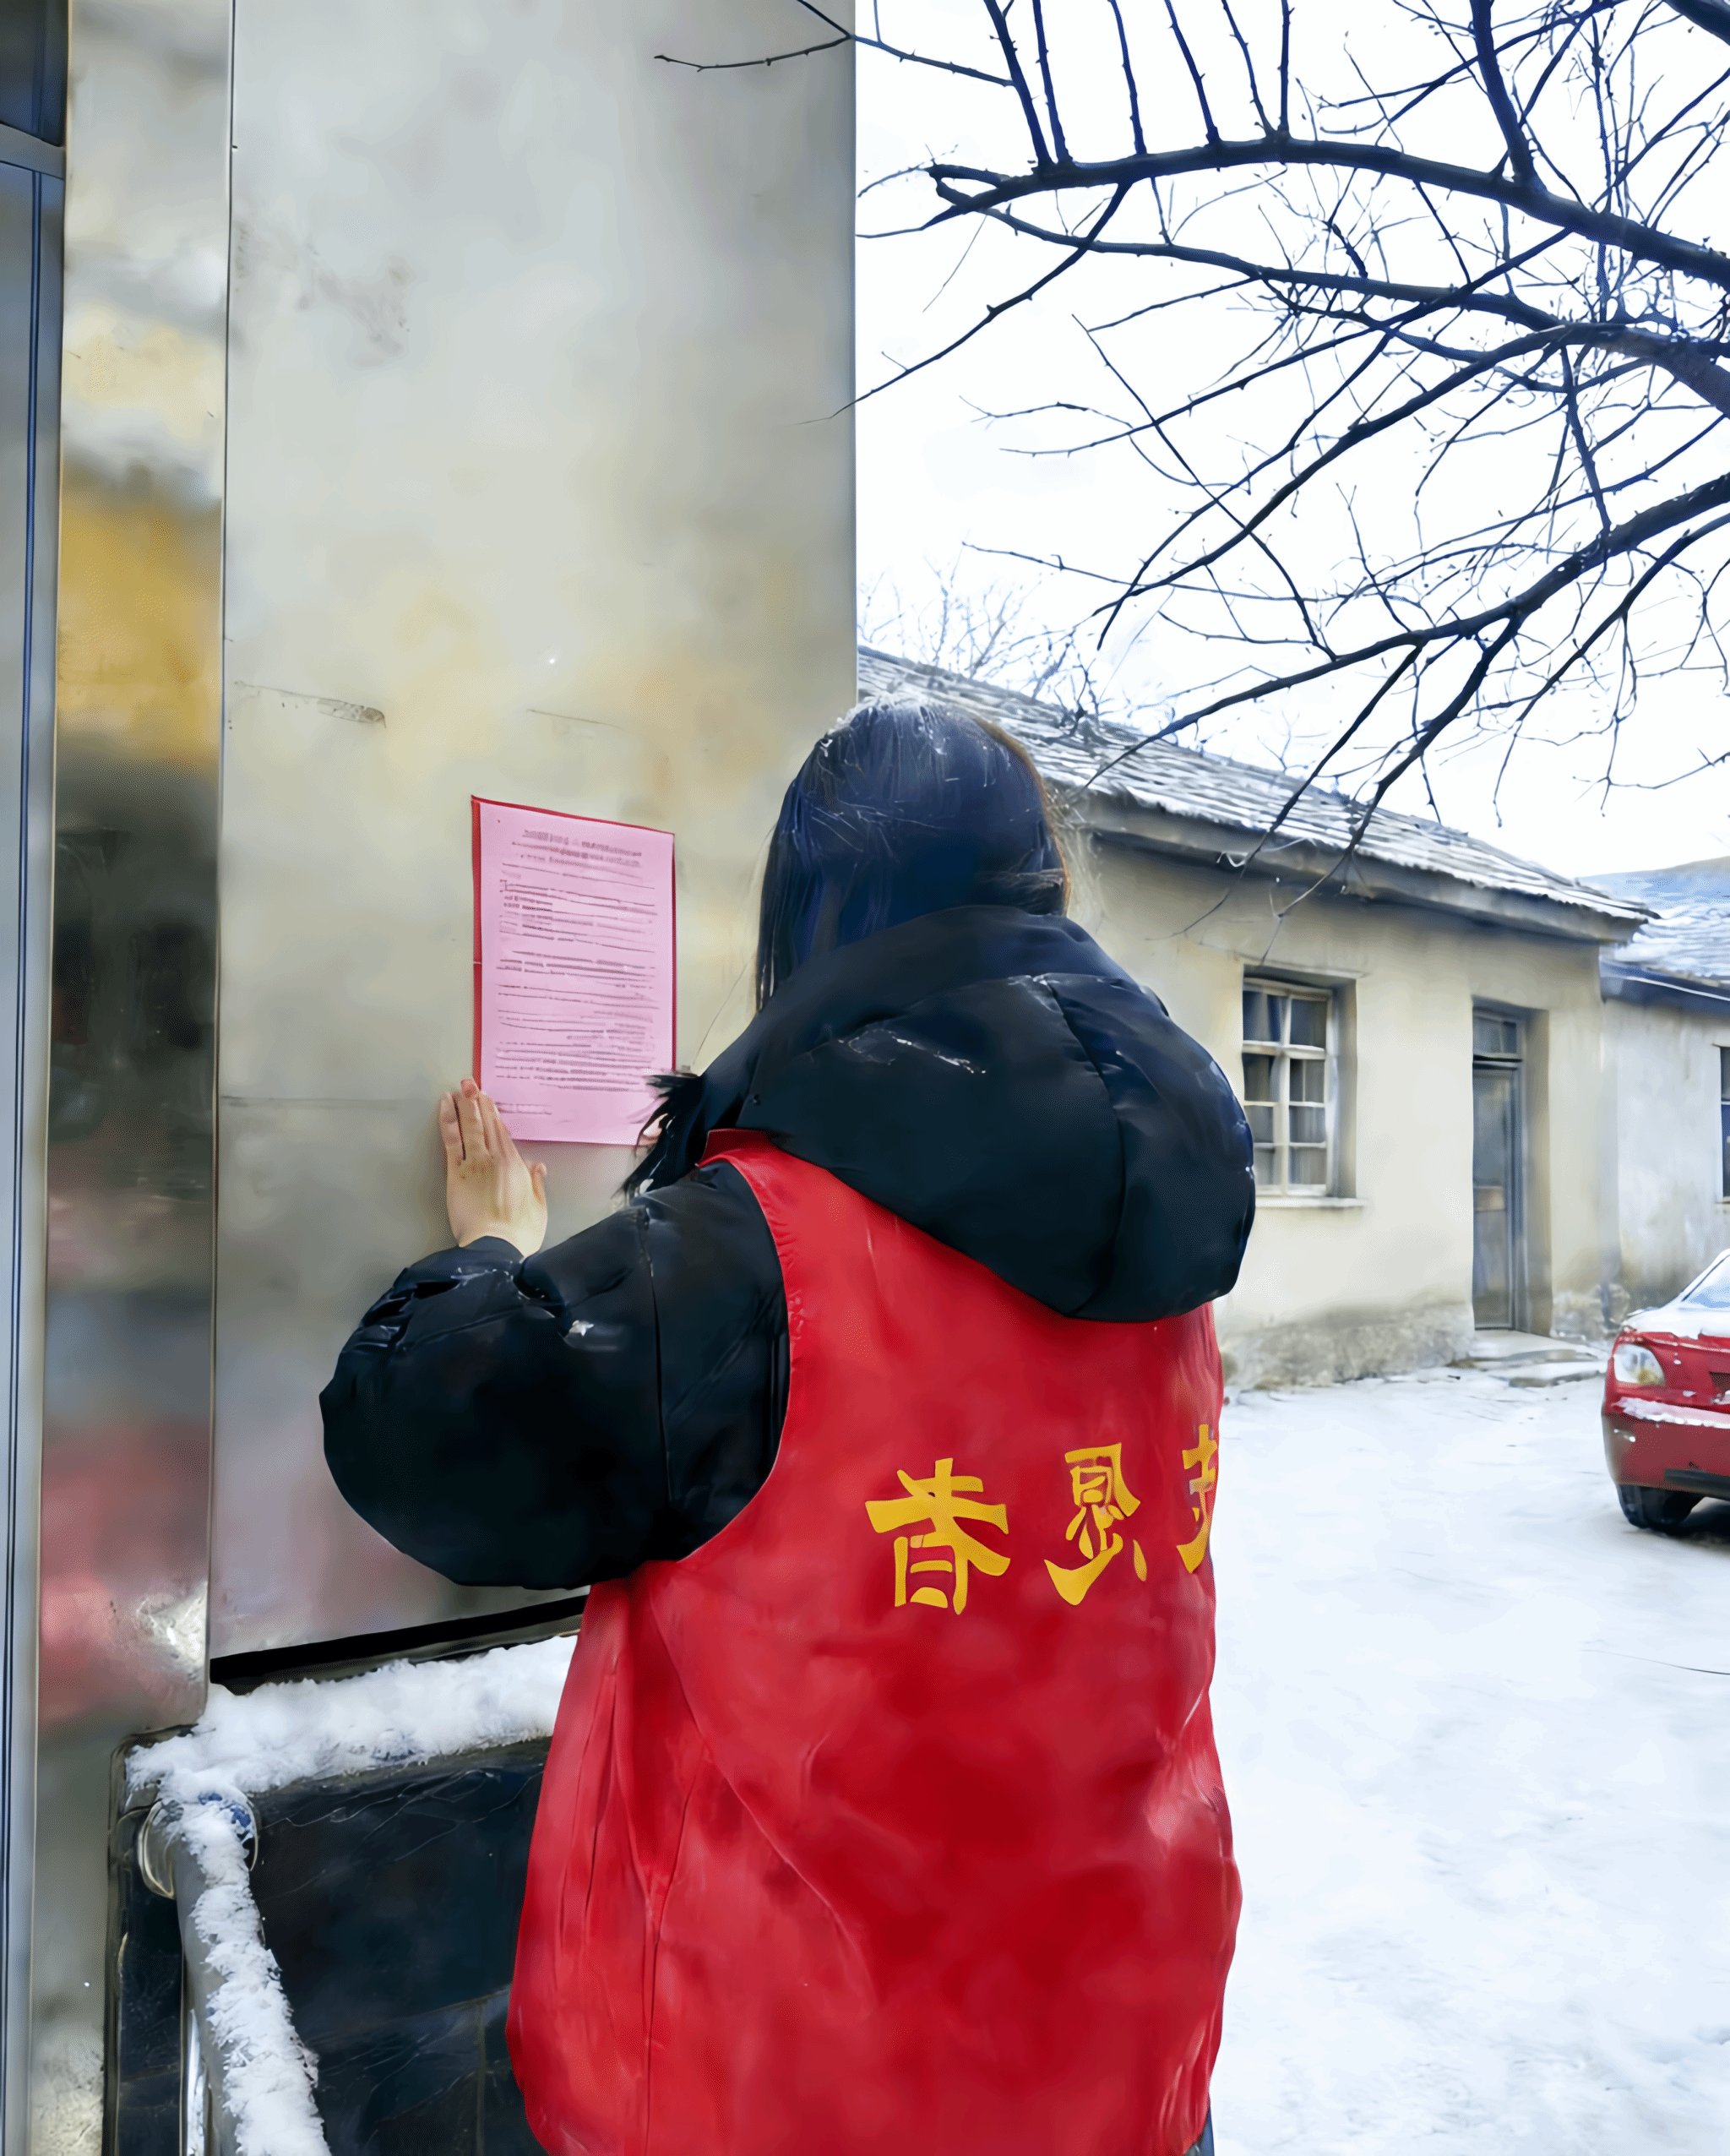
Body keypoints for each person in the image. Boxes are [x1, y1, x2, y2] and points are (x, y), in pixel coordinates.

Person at [323, 699, 1255, 2156]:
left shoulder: (746, 1256)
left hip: (787, 2081)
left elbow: (418, 1431)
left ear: (811, 919)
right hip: (1121, 2052)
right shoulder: (1161, 1232)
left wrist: (492, 1252)